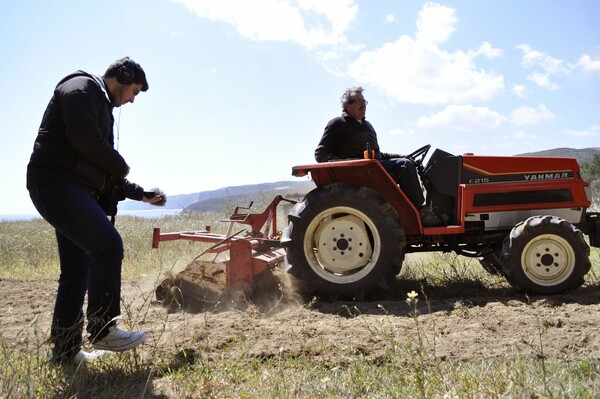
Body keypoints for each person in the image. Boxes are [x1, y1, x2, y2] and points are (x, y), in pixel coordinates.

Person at [26, 57, 163, 364]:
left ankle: (65, 353)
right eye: (134, 92)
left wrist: (141, 194)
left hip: (68, 188)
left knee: (75, 274)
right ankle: (103, 329)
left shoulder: (101, 105)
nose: (132, 100)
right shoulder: (82, 87)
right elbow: (85, 140)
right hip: (55, 184)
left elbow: (106, 173)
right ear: (123, 77)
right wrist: (121, 164)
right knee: (108, 245)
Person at [314, 86, 444, 227]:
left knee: (407, 163)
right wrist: (352, 163)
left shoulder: (367, 125)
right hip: (360, 172)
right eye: (359, 101)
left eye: (365, 101)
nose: (363, 104)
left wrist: (404, 156)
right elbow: (320, 154)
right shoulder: (338, 124)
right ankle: (421, 212)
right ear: (347, 105)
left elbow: (379, 155)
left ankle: (426, 208)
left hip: (373, 168)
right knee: (404, 166)